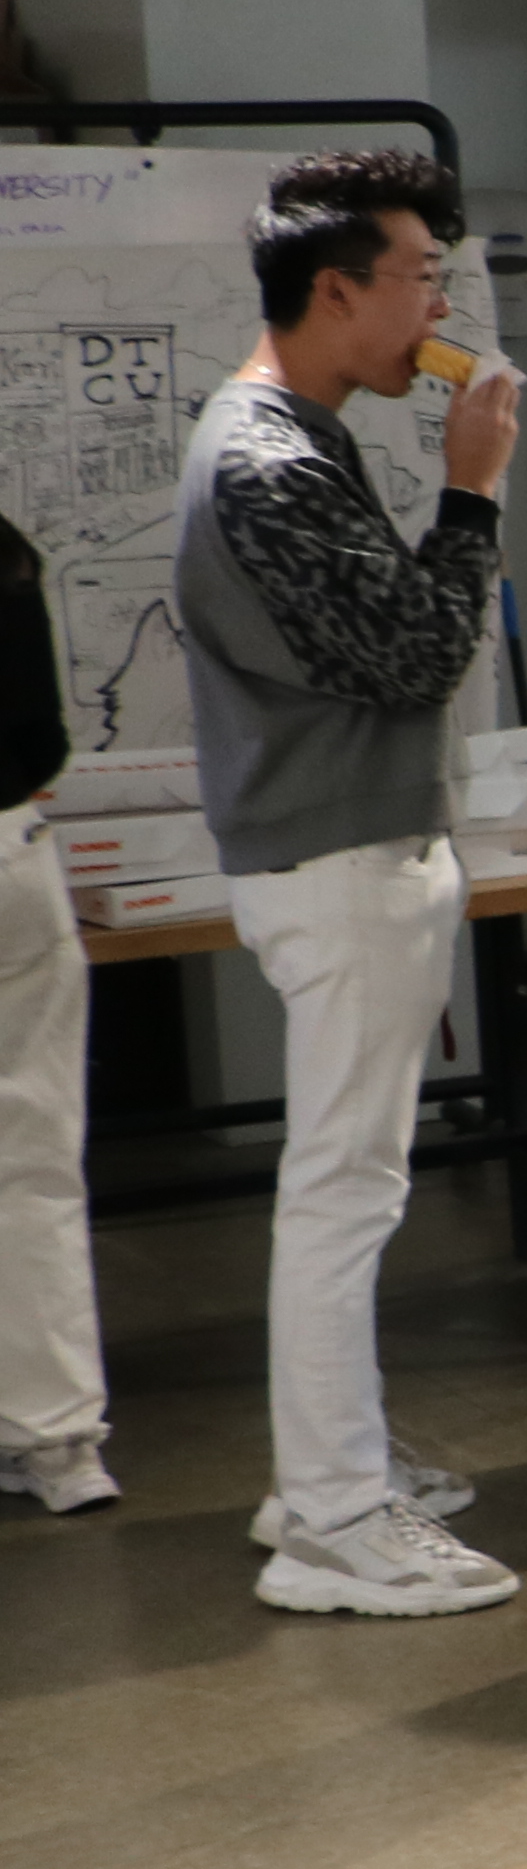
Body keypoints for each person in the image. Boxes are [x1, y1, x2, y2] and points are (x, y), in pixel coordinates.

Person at [177, 148, 524, 1616]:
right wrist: (472, 491)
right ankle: (329, 1519)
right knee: (344, 1195)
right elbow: (419, 654)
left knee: (350, 1187)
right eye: (422, 280)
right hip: (336, 863)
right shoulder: (265, 463)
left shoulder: (297, 438)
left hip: (352, 852)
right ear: (337, 290)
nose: (441, 306)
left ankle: (340, 1466)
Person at [0, 498, 97, 1516]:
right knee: (32, 1159)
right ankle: (60, 1441)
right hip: (8, 860)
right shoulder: (6, 557)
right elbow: (41, 741)